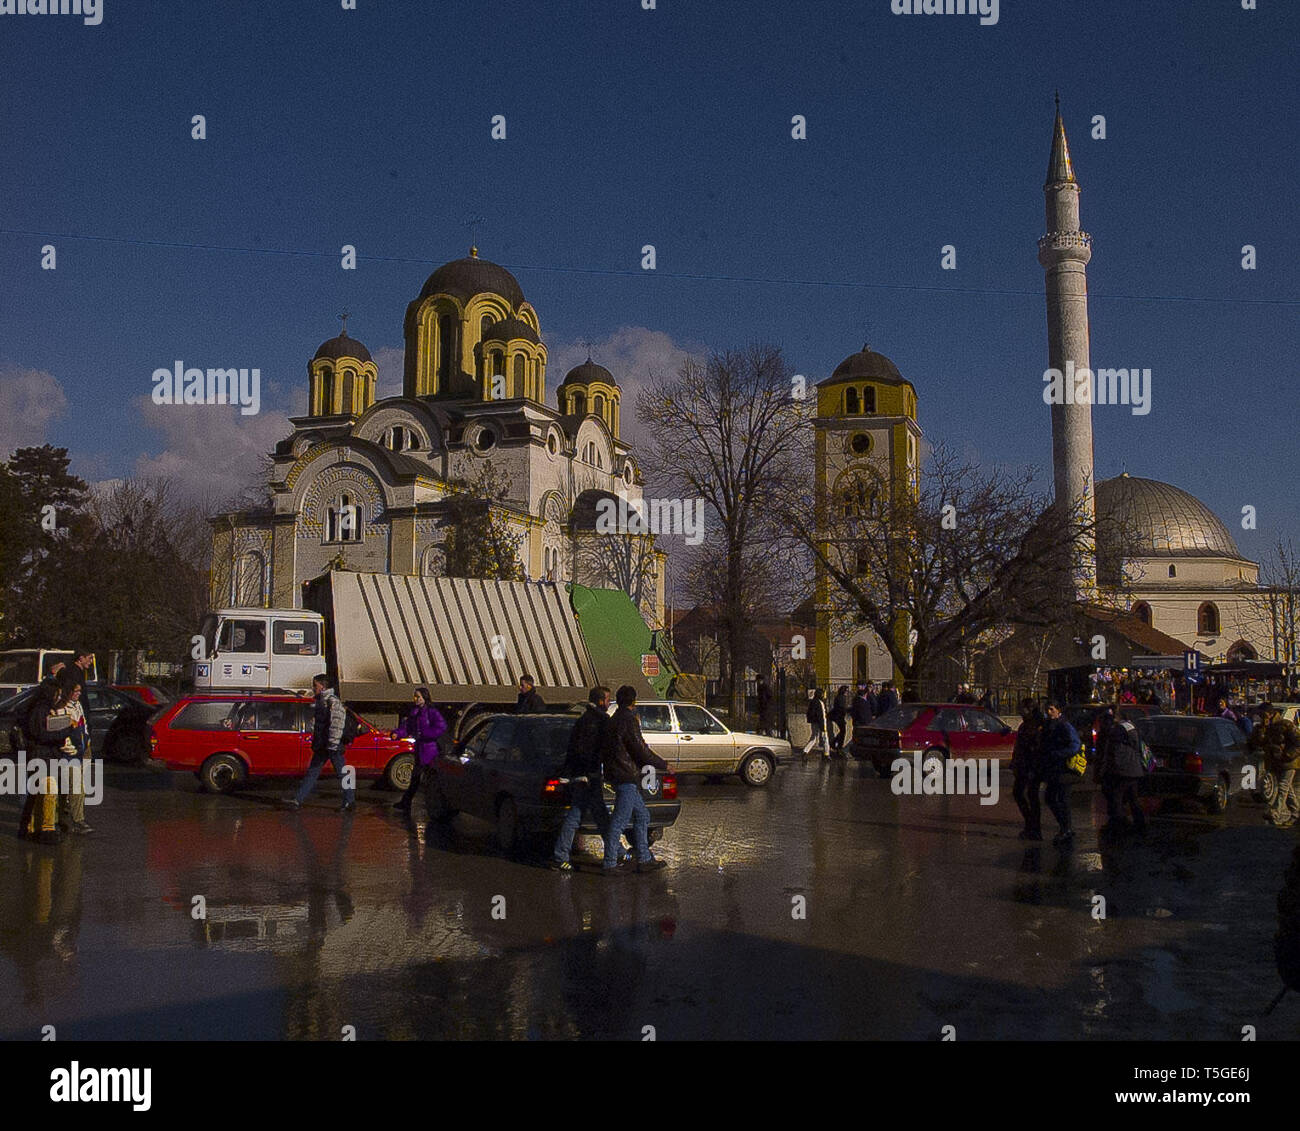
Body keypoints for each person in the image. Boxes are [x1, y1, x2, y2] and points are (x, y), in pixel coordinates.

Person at [552, 686, 622, 871]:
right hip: (587, 776)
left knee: (597, 815)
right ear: (600, 701)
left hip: (582, 774)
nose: (609, 703)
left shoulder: (584, 719)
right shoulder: (598, 721)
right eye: (607, 699)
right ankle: (560, 856)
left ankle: (618, 850)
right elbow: (592, 750)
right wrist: (591, 773)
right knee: (578, 816)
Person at [601, 685, 669, 874]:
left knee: (642, 815)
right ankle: (610, 862)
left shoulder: (613, 720)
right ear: (633, 701)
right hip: (626, 776)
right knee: (619, 821)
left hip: (618, 774)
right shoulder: (629, 721)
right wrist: (663, 765)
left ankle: (644, 857)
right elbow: (640, 749)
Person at [284, 674, 355, 812]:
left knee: (343, 773)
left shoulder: (333, 702)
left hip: (332, 745)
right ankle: (297, 800)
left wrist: (333, 743)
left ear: (322, 686)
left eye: (315, 685)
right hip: (323, 744)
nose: (313, 688)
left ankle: (350, 801)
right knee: (313, 772)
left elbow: (337, 724)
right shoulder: (321, 701)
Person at [18, 671, 72, 844]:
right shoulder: (40, 710)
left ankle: (31, 828)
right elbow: (42, 734)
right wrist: (65, 731)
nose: (58, 697)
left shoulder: (37, 708)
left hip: (40, 756)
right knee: (48, 793)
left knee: (37, 795)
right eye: (57, 693)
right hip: (42, 757)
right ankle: (46, 830)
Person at [392, 687, 447, 812]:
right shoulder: (415, 713)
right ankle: (406, 803)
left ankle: (435, 806)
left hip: (430, 751)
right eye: (415, 696)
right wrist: (397, 733)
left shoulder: (432, 712)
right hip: (420, 750)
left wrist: (426, 734)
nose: (415, 699)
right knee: (415, 778)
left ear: (424, 698)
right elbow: (407, 728)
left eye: (418, 696)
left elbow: (441, 727)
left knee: (430, 780)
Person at [1247, 703, 1300, 827]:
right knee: (1288, 790)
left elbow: (1298, 742)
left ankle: (1275, 813)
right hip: (1275, 762)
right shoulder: (1264, 727)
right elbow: (1259, 742)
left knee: (1283, 787)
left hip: (1288, 762)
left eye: (1263, 714)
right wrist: (1262, 728)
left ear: (1270, 713)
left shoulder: (1285, 724)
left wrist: (1288, 755)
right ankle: (1295, 813)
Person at [1097, 707, 1147, 834]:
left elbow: (1113, 753)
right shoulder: (1131, 727)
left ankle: (1118, 826)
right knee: (1132, 798)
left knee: (1116, 799)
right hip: (1134, 770)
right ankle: (1140, 825)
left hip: (1122, 771)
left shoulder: (1116, 731)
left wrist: (1107, 771)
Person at [52, 683, 93, 835]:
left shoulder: (78, 705)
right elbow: (61, 733)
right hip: (68, 755)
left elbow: (83, 726)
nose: (78, 693)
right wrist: (70, 750)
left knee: (71, 788)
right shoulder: (61, 708)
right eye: (75, 691)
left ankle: (64, 819)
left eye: (79, 691)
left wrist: (86, 741)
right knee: (75, 788)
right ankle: (76, 820)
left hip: (79, 752)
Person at [1040, 701, 1081, 846]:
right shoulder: (1049, 724)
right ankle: (1065, 827)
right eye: (1047, 709)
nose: (1049, 712)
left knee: (1061, 799)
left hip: (1064, 769)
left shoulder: (1064, 725)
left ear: (1058, 710)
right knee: (1052, 798)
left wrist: (1057, 754)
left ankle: (1066, 828)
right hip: (1054, 769)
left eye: (1051, 709)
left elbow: (1075, 745)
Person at [1011, 698, 1046, 841]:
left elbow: (1036, 749)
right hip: (1023, 765)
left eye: (1023, 709)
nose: (1020, 711)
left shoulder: (1037, 726)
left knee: (1031, 796)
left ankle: (1034, 828)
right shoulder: (1025, 724)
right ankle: (1031, 825)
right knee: (1020, 794)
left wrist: (1034, 767)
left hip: (1031, 766)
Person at [803, 688, 830, 759]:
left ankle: (805, 751)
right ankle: (826, 754)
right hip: (821, 723)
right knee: (825, 738)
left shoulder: (813, 702)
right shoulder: (820, 703)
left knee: (814, 738)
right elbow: (821, 715)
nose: (824, 695)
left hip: (814, 722)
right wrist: (822, 726)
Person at [828, 685, 849, 752]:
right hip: (839, 717)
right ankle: (838, 745)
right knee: (843, 731)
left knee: (842, 731)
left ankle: (834, 744)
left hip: (838, 716)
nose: (847, 692)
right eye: (846, 691)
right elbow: (842, 708)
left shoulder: (839, 697)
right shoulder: (842, 698)